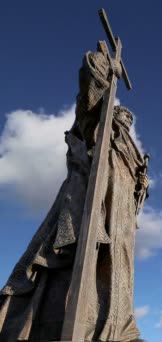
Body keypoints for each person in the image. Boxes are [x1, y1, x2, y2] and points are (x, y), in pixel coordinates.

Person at [0, 44, 148, 341]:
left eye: (130, 122)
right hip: (90, 207)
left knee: (114, 280)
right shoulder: (99, 130)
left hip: (120, 226)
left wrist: (139, 188)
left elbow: (135, 202)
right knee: (71, 265)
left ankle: (110, 328)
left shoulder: (131, 156)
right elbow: (87, 107)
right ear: (114, 116)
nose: (126, 123)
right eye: (122, 117)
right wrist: (106, 75)